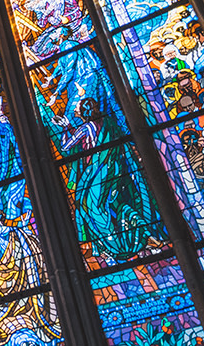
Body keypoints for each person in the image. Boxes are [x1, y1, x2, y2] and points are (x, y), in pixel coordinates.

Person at [53, 98, 166, 262]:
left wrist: (64, 127)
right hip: (114, 170)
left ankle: (112, 245)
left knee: (92, 208)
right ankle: (144, 235)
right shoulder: (106, 123)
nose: (75, 110)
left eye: (77, 108)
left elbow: (65, 146)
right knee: (116, 204)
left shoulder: (86, 127)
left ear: (85, 112)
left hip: (97, 173)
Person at [0, 208, 61, 346]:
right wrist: (26, 226)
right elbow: (34, 252)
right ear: (2, 220)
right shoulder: (17, 233)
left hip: (0, 305)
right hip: (28, 297)